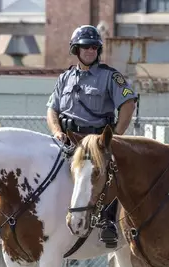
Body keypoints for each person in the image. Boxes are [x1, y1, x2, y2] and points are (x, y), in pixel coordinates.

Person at [46, 24, 138, 248]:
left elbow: (128, 103)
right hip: (67, 139)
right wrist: (57, 132)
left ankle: (108, 224)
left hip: (94, 143)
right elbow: (51, 109)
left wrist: (114, 137)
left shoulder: (110, 77)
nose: (90, 51)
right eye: (85, 47)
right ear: (75, 50)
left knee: (107, 176)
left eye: (94, 47)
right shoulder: (65, 78)